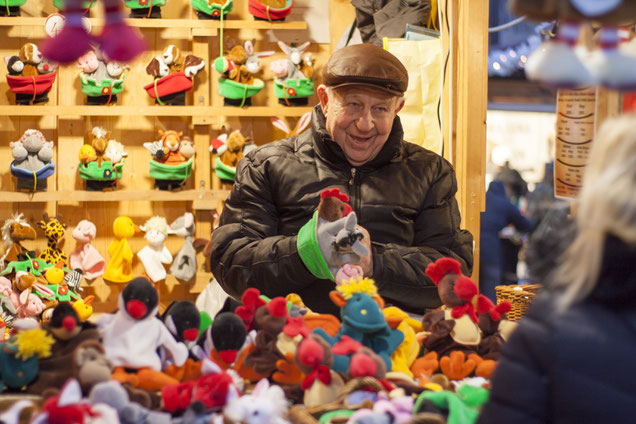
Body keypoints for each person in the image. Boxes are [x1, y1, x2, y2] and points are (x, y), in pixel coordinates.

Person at [209, 43, 473, 316]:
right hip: (291, 343)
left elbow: (453, 273)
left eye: (380, 109)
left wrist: (376, 263)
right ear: (325, 101)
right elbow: (230, 263)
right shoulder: (265, 165)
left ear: (398, 108)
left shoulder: (430, 171)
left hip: (393, 344)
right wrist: (305, 252)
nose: (365, 124)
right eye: (353, 104)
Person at [477, 115, 636, 423]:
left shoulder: (549, 324)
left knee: (489, 290)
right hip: (500, 251)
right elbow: (526, 225)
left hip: (494, 251)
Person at [479, 179, 533, 301]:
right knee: (490, 288)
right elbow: (526, 225)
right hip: (490, 250)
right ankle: (489, 316)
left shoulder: (481, 199)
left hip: (472, 246)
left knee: (474, 285)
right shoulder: (505, 203)